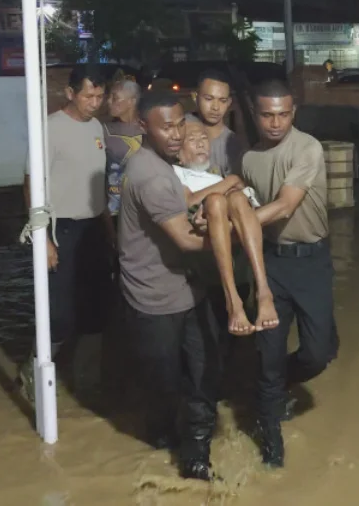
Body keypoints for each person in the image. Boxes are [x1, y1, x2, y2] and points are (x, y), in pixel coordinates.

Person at [118, 90, 221, 481]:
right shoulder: (150, 175)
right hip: (155, 297)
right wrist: (236, 237)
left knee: (203, 370)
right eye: (166, 127)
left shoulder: (160, 164)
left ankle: (196, 457)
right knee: (164, 382)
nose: (177, 134)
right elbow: (186, 240)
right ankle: (162, 437)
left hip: (187, 288)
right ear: (143, 126)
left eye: (180, 124)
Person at [241, 78, 338, 469]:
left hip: (312, 261)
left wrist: (235, 226)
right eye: (267, 115)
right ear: (255, 114)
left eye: (283, 114)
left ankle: (281, 380)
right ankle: (271, 445)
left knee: (318, 354)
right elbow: (243, 199)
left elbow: (284, 206)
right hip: (271, 263)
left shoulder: (308, 148)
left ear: (293, 112)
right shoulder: (249, 159)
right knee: (269, 356)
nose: (275, 123)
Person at [23, 65, 115, 356]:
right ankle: (37, 369)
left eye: (100, 97)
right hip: (60, 229)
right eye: (88, 97)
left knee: (95, 306)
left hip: (94, 227)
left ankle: (85, 374)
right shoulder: (50, 129)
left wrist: (109, 231)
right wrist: (44, 239)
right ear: (70, 93)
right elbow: (30, 183)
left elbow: (98, 184)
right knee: (59, 312)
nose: (95, 103)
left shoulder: (97, 127)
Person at [175, 118, 278, 336]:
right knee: (215, 201)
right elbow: (190, 201)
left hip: (237, 256)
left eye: (204, 138)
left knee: (237, 199)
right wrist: (231, 181)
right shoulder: (175, 173)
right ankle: (232, 299)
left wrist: (232, 187)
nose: (201, 143)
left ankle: (263, 290)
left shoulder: (215, 176)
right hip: (205, 270)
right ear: (179, 154)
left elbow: (252, 207)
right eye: (192, 140)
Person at [191, 70, 246, 176]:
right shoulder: (181, 132)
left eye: (222, 100)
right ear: (195, 97)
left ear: (229, 103)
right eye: (208, 99)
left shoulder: (232, 144)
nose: (215, 107)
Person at [104, 78, 143, 222]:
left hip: (143, 208)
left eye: (115, 98)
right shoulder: (105, 131)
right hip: (114, 209)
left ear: (132, 101)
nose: (108, 101)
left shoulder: (149, 128)